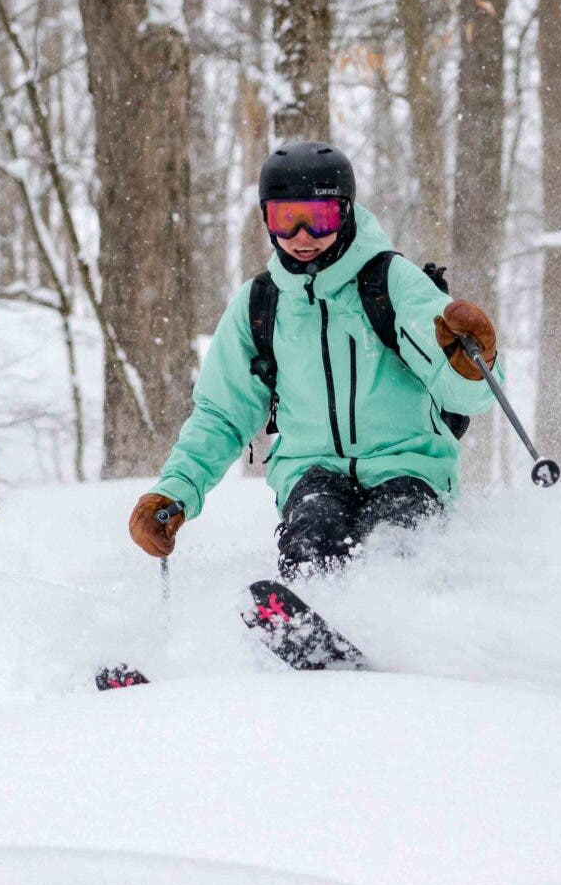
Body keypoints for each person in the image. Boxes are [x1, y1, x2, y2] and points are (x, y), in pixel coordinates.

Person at [128, 141, 501, 578]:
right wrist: (176, 491)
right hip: (312, 471)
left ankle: (400, 630)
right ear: (268, 220)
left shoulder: (392, 283)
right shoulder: (261, 303)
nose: (302, 236)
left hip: (409, 465)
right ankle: (308, 624)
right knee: (313, 536)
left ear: (344, 213)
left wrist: (472, 366)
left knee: (396, 538)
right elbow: (221, 415)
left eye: (318, 218)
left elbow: (467, 391)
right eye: (286, 219)